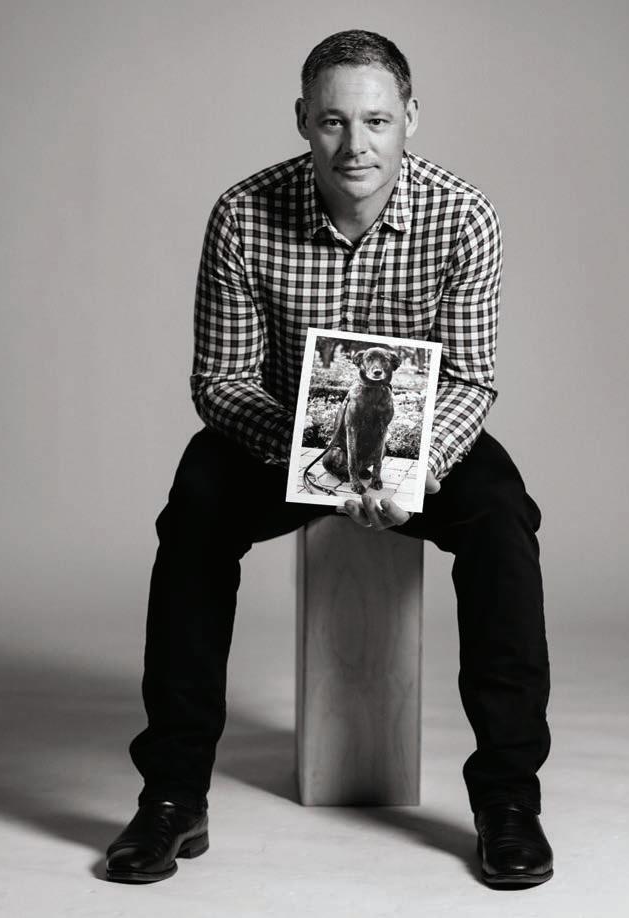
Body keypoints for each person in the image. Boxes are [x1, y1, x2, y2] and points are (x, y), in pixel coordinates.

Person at [105, 29, 553, 890]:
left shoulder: (464, 216)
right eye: (334, 121)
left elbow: (471, 378)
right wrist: (318, 460)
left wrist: (409, 467)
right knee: (193, 511)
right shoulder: (244, 214)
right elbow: (221, 379)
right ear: (303, 120)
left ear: (411, 118)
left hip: (418, 441)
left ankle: (508, 800)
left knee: (504, 518)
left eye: (377, 120)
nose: (357, 144)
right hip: (278, 435)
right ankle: (172, 796)